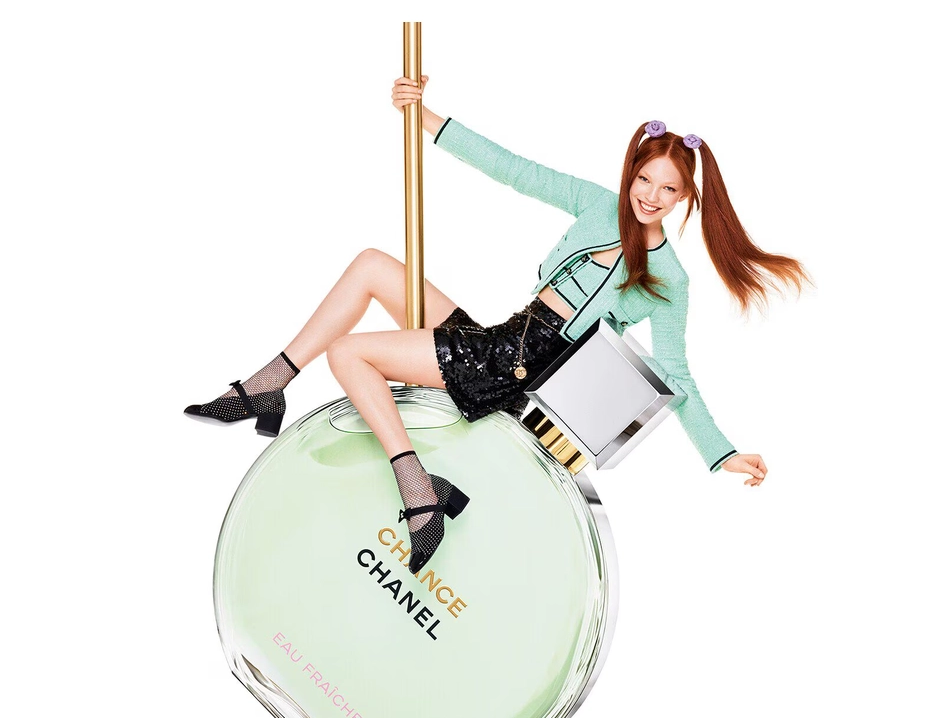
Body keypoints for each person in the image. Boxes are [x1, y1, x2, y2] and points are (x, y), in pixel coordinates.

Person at [185, 74, 809, 574]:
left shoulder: (670, 279)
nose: (649, 195)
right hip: (499, 341)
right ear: (630, 174)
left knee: (349, 355)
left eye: (667, 189)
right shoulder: (597, 205)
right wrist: (423, 116)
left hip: (518, 371)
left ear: (685, 198)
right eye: (644, 179)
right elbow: (514, 169)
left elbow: (676, 375)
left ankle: (419, 491)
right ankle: (269, 386)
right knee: (374, 265)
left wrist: (722, 455)